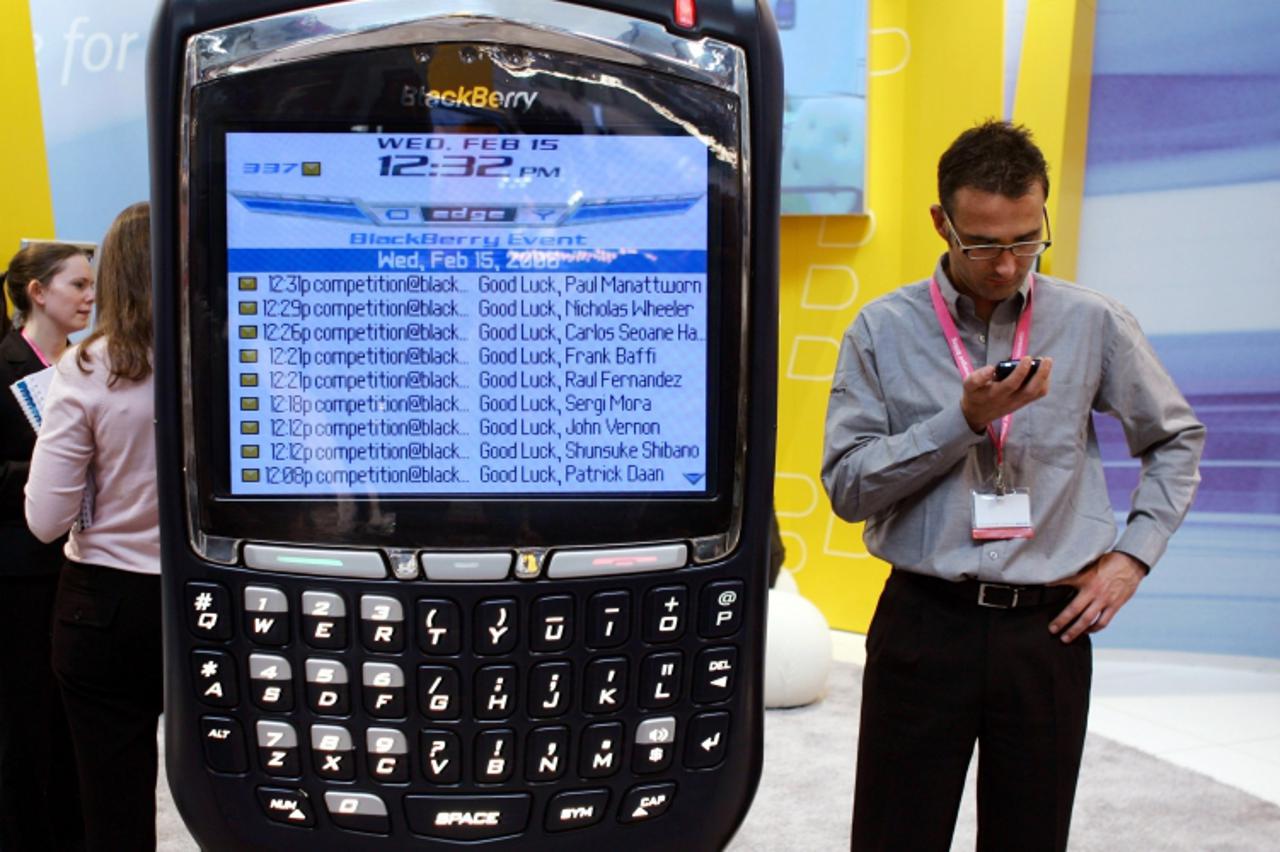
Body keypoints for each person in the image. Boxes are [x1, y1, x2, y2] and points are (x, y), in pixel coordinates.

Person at [822, 121, 1205, 851]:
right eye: (983, 243)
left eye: (1026, 239)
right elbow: (848, 487)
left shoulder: (1091, 322)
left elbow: (1176, 438)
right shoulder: (882, 330)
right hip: (924, 624)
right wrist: (960, 420)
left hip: (1048, 631)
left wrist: (1134, 556)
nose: (1006, 265)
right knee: (894, 835)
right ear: (942, 222)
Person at [25, 202, 160, 852]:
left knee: (112, 809)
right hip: (216, 598)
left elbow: (45, 521)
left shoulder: (81, 371)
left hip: (104, 608)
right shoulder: (237, 354)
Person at [0, 242, 93, 852]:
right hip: (18, 573)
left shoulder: (92, 366)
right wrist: (55, 464)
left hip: (82, 568)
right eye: (78, 286)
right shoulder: (4, 364)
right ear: (38, 292)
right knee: (20, 721)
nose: (91, 298)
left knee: (72, 723)